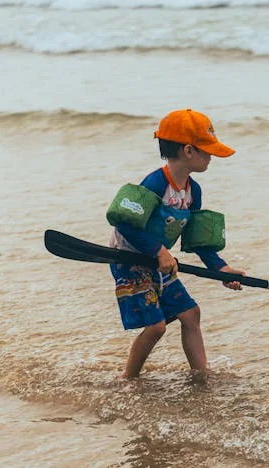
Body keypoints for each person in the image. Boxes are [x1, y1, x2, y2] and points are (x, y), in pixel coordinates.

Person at [107, 108, 245, 380]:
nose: (212, 157)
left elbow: (199, 241)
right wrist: (158, 251)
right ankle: (128, 380)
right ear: (188, 151)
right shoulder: (156, 183)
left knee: (191, 314)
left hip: (160, 259)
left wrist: (222, 269)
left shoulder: (194, 192)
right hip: (130, 259)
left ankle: (201, 376)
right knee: (157, 327)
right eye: (207, 150)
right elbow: (125, 224)